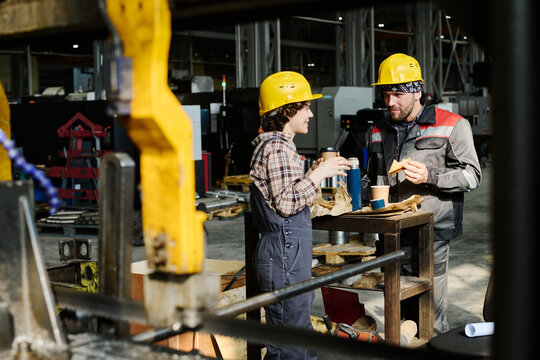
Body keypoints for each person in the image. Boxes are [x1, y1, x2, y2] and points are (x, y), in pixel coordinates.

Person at [367, 53, 482, 335]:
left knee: (430, 309)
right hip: (392, 230)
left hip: (431, 233)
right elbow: (374, 176)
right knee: (398, 304)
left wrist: (431, 177)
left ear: (416, 91)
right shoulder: (378, 130)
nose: (389, 102)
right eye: (386, 94)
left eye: (397, 94)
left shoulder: (452, 125)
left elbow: (472, 175)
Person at [249, 71, 350, 359]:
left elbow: (285, 194)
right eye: (305, 107)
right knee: (288, 343)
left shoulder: (277, 147)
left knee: (299, 334)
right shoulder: (278, 147)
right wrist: (319, 174)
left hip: (287, 252)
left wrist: (311, 175)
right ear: (287, 110)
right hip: (283, 252)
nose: (310, 114)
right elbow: (285, 203)